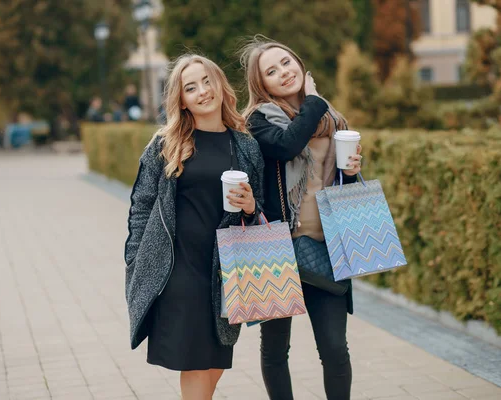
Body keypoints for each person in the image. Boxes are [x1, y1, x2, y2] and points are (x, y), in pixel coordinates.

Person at [124, 54, 264, 400]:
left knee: (215, 359)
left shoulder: (244, 145)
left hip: (225, 269)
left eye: (206, 81)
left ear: (220, 85)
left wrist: (250, 206)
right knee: (198, 363)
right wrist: (135, 261)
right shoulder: (166, 144)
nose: (202, 91)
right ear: (181, 100)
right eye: (191, 87)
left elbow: (257, 205)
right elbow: (141, 205)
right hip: (178, 268)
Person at [240, 36, 363, 400]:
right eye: (271, 71)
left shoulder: (332, 120)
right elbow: (288, 144)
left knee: (335, 351)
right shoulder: (260, 122)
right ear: (261, 84)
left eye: (286, 62)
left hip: (327, 248)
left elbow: (341, 185)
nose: (283, 72)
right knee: (276, 352)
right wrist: (313, 100)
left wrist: (352, 172)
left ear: (299, 63)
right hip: (276, 250)